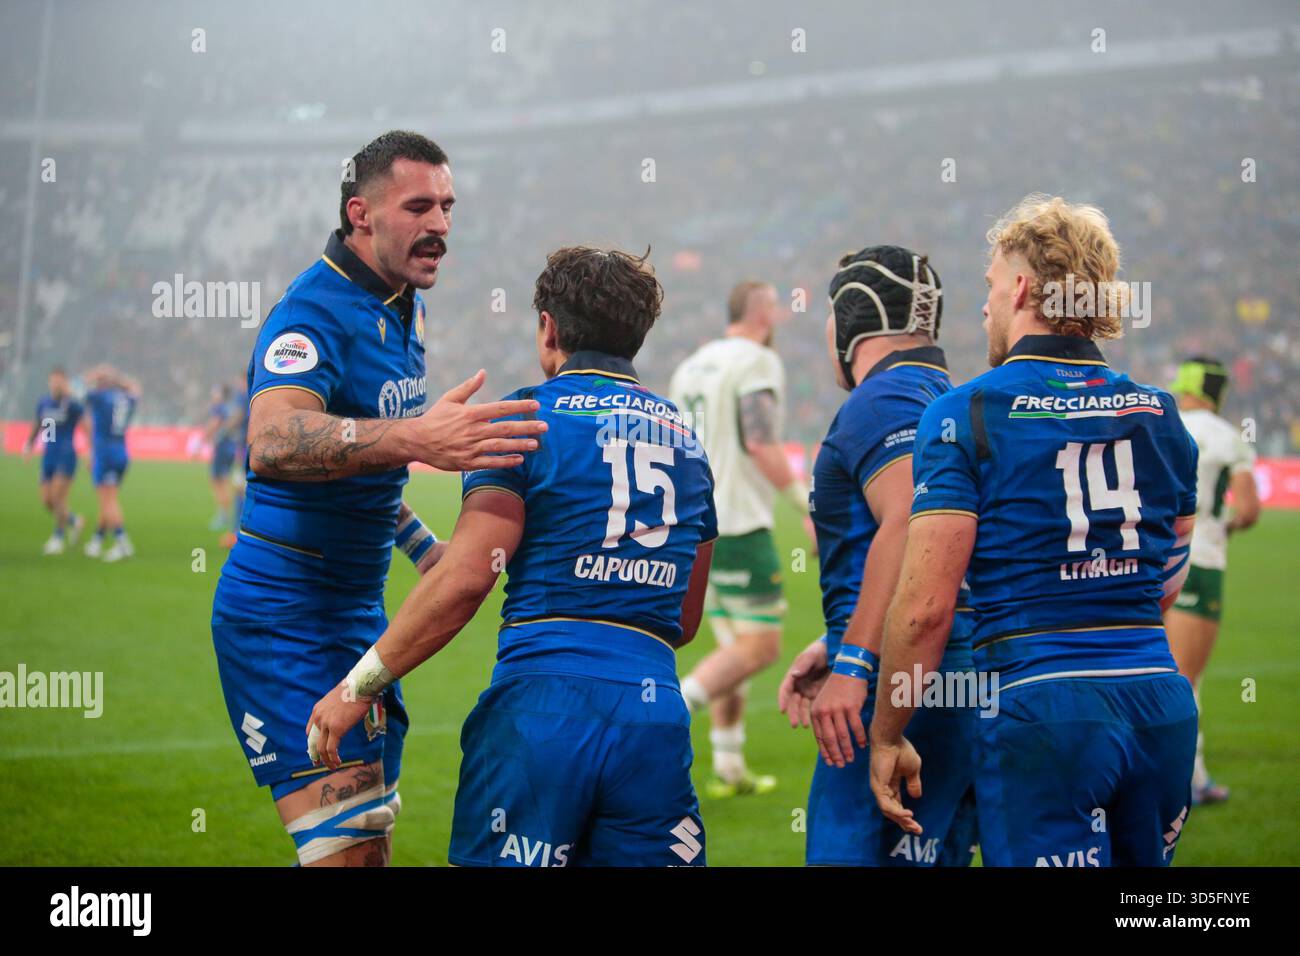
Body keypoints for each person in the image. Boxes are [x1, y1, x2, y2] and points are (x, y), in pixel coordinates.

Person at [307, 245, 718, 867]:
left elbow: (469, 578)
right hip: (653, 713)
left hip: (542, 710)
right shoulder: (688, 445)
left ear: (548, 328)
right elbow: (683, 622)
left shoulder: (521, 422)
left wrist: (358, 685)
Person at [210, 130, 546, 867]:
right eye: (419, 206)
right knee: (345, 857)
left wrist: (424, 546)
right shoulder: (313, 313)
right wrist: (417, 439)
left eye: (448, 207)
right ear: (361, 213)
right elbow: (271, 441)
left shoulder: (402, 306)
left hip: (357, 610)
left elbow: (359, 456)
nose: (441, 226)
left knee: (370, 847)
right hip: (285, 614)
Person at [869, 195, 1200, 867]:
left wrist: (887, 733)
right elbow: (1168, 580)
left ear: (1020, 288)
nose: (984, 307)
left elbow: (927, 609)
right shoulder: (1162, 413)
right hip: (1160, 700)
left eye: (990, 288)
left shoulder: (967, 411)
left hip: (1041, 704)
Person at [776, 245, 977, 865]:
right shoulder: (957, 398)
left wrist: (854, 661)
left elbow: (909, 526)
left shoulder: (880, 400)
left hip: (898, 679)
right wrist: (832, 638)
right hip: (964, 671)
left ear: (850, 322)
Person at [668, 280, 812, 797]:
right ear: (764, 312)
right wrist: (807, 506)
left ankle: (728, 764)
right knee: (760, 645)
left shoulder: (691, 366)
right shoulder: (756, 360)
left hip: (694, 526)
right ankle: (671, 709)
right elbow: (760, 441)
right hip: (741, 523)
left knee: (733, 645)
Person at [1165, 357, 1260, 805]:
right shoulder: (1228, 436)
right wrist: (1224, 526)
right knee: (1188, 678)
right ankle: (1186, 779)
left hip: (1153, 561)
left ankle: (1180, 774)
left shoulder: (1162, 423)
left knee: (1157, 670)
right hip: (1201, 561)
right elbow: (1248, 510)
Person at [23, 367, 86, 555]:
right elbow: (38, 423)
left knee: (58, 498)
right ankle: (74, 521)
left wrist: (91, 450)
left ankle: (58, 537)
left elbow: (86, 423)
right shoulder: (44, 402)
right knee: (47, 501)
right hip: (48, 454)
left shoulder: (72, 404)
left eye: (60, 380)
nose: (56, 384)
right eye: (53, 380)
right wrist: (29, 444)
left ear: (65, 382)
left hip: (65, 455)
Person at [82, 364, 140, 562]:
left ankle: (122, 542)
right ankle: (97, 540)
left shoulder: (99, 397)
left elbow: (82, 388)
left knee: (108, 500)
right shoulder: (126, 398)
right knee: (109, 499)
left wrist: (94, 375)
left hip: (104, 452)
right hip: (121, 451)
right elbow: (135, 389)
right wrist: (116, 378)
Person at [202, 384, 239, 531]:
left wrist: (202, 441)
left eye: (216, 391)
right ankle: (225, 513)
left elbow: (214, 424)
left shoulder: (220, 407)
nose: (213, 394)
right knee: (222, 480)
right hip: (230, 447)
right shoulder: (229, 408)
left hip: (223, 447)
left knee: (218, 480)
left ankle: (223, 515)